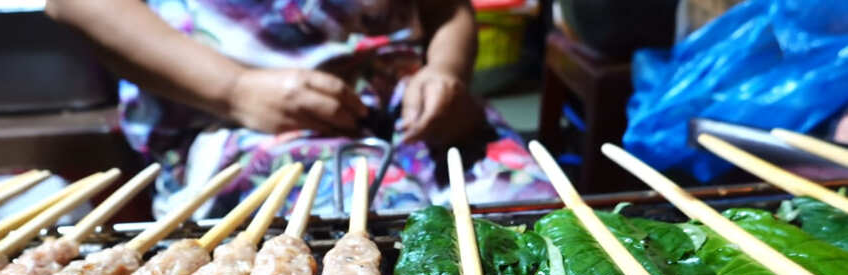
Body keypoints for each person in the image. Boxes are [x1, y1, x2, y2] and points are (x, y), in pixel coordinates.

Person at [46, 0, 557, 218]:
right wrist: (237, 90)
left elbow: (447, 8)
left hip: (413, 108)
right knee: (367, 232)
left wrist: (445, 73)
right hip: (237, 116)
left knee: (539, 218)